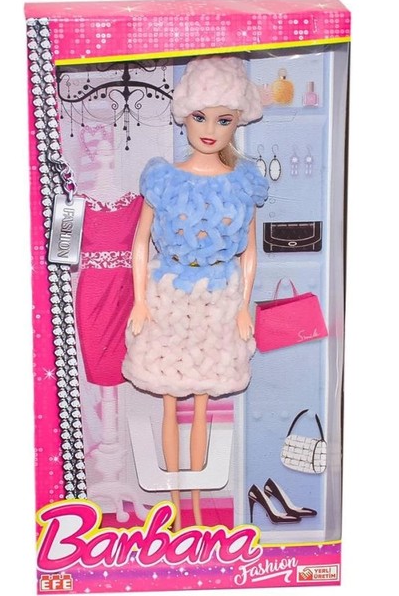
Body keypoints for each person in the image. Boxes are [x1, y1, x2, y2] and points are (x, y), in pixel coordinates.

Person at [122, 55, 268, 530]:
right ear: (184, 115)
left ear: (238, 122)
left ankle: (200, 512)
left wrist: (243, 308)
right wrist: (140, 300)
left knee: (203, 403)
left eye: (223, 120)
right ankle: (174, 508)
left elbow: (250, 251)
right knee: (169, 401)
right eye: (200, 117)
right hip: (168, 295)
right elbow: (140, 241)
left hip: (220, 297)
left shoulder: (243, 182)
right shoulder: (164, 178)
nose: (209, 129)